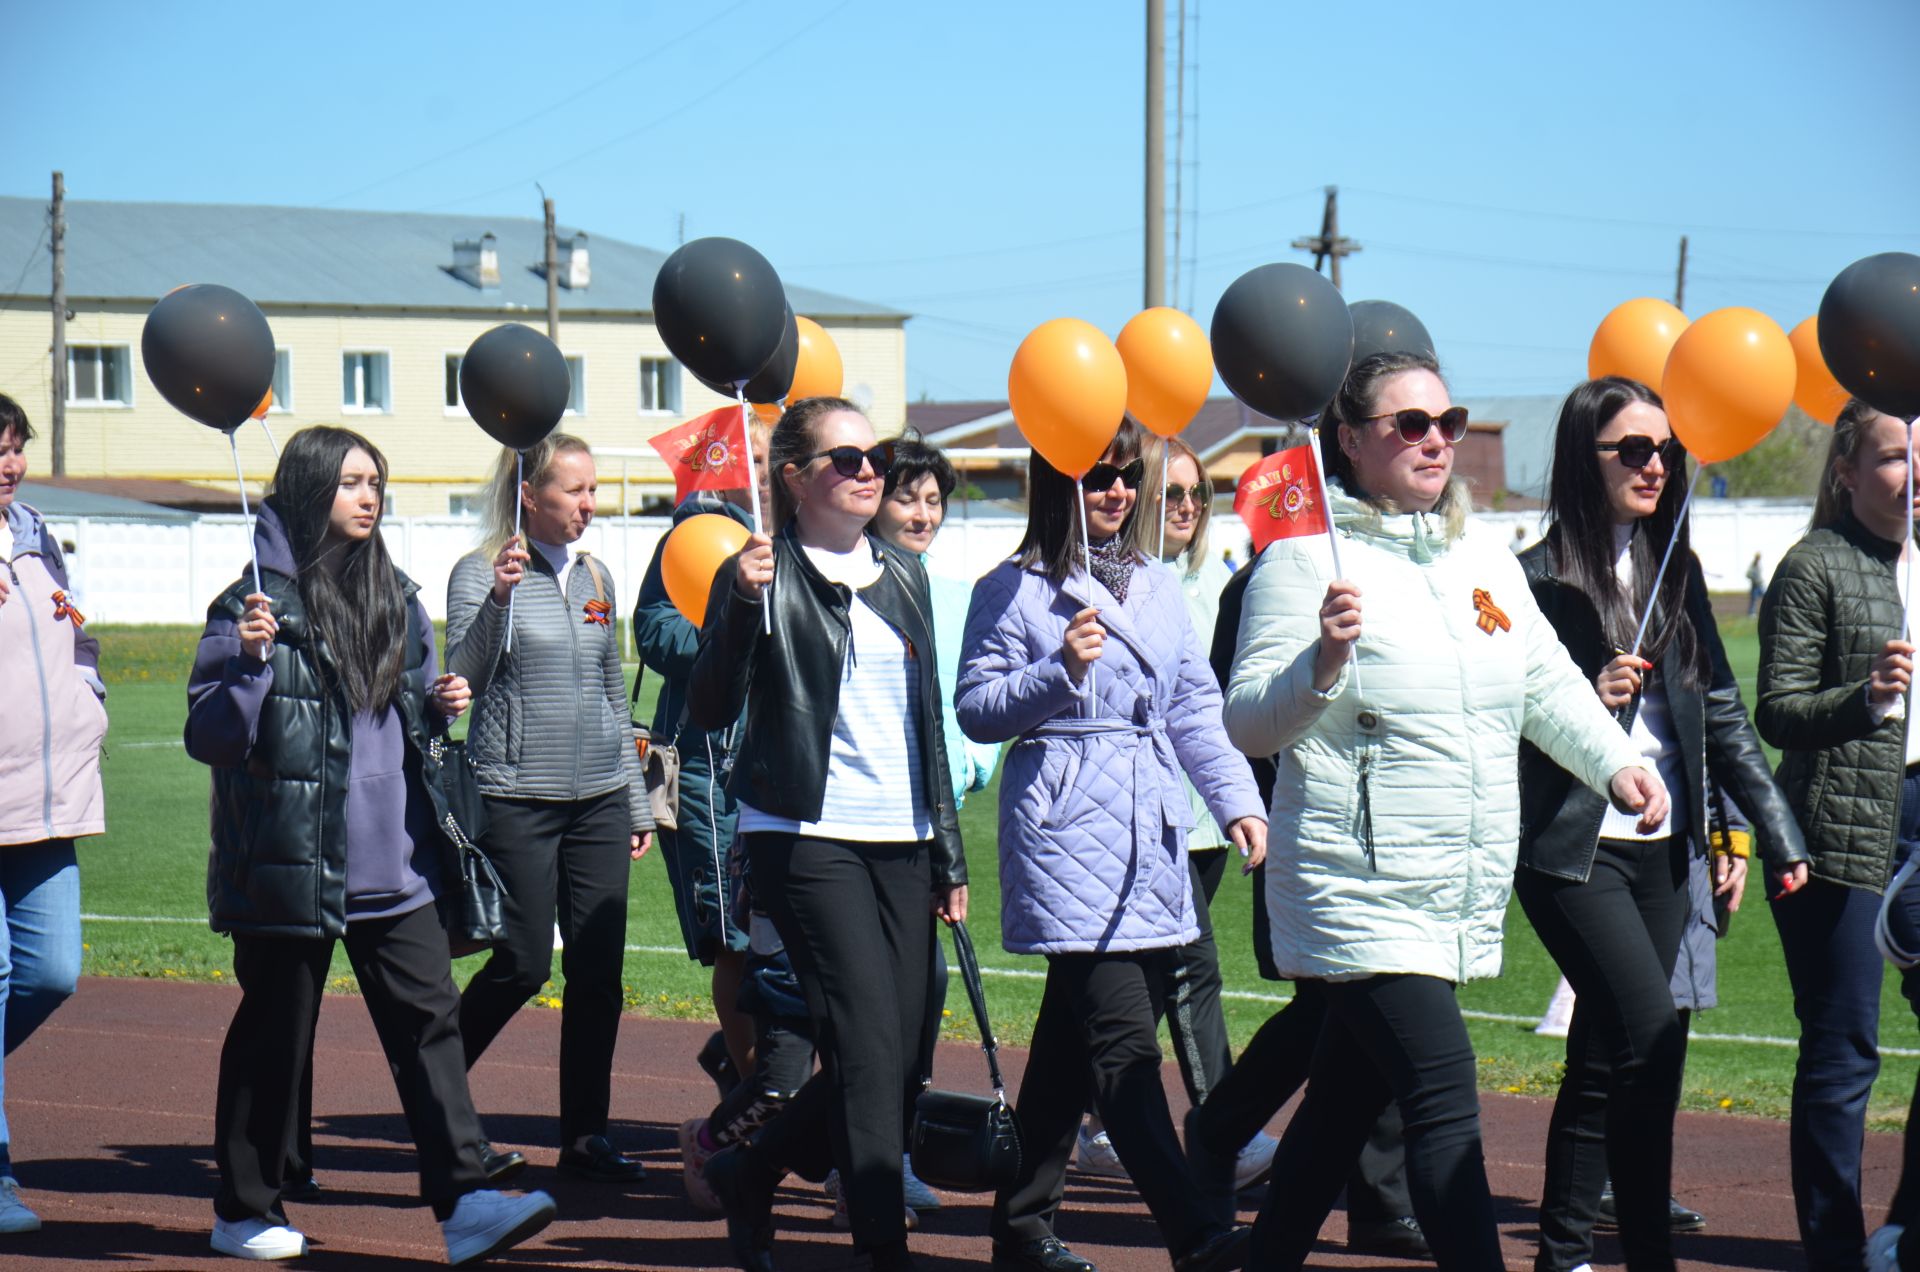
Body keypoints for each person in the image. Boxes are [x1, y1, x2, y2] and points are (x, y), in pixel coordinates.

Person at [1223, 351, 1667, 1270]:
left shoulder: (1480, 559)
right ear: (1348, 439)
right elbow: (1249, 725)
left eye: (1448, 422)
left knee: (1339, 1109)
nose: (1437, 441)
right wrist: (1320, 665)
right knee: (1442, 1093)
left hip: (1450, 882)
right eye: (1409, 425)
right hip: (1355, 887)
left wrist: (1617, 762)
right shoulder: (1301, 563)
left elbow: (1545, 683)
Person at [185, 425, 555, 1264]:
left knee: (431, 1031)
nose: (368, 495)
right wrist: (247, 665)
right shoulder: (249, 605)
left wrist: (441, 701)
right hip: (288, 866)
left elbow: (409, 713)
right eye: (351, 481)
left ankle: (465, 1205)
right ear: (311, 491)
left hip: (397, 865)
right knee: (275, 1038)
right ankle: (243, 1210)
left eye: (375, 481)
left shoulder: (397, 595)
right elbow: (210, 737)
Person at [958, 417, 1267, 1272]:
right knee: (1126, 1047)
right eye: (1098, 476)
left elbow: (1194, 708)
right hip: (1065, 828)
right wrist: (1059, 668)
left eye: (1127, 475)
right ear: (1055, 482)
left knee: (1069, 1047)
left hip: (1149, 829)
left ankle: (1021, 1228)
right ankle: (1200, 1236)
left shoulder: (1160, 586)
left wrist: (1238, 801)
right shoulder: (1012, 587)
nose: (1118, 493)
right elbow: (977, 710)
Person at [1515, 376, 1807, 1272]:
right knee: (1649, 1032)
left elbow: (1718, 714)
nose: (1654, 464)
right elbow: (1496, 718)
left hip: (1665, 854)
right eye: (1632, 449)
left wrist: (1760, 831)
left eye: (1665, 449)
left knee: (1610, 1056)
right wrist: (1577, 703)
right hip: (1573, 848)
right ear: (1584, 457)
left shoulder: (1675, 568)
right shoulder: (1535, 578)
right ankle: (1643, 1253)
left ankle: (1566, 1254)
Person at [691, 397, 965, 1272]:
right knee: (866, 1044)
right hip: (805, 834)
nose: (869, 470)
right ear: (794, 477)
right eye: (845, 459)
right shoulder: (762, 571)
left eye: (873, 453)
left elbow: (927, 725)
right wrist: (739, 600)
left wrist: (947, 853)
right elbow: (708, 705)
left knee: (901, 1057)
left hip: (905, 838)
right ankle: (884, 1249)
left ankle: (752, 1166)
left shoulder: (904, 573)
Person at [446, 434, 654, 1184]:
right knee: (524, 963)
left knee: (598, 974)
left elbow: (610, 695)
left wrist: (635, 802)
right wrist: (500, 596)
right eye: (574, 491)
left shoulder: (597, 575)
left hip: (599, 797)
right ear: (531, 495)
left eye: (594, 490)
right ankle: (433, 1091)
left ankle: (586, 1137)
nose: (589, 505)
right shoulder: (479, 572)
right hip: (513, 795)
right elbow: (462, 675)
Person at [1080, 434, 1275, 1192]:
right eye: (1172, 495)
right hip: (1145, 814)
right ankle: (1226, 1128)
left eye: (1198, 495)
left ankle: (1088, 1124)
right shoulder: (1130, 586)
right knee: (1194, 974)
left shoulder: (1214, 585)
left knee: (1151, 985)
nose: (1188, 507)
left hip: (1206, 817)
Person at [1754, 399, 1916, 1272]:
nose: (1911, 473)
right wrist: (1866, 699)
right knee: (1846, 1047)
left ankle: (1905, 1230)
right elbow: (1775, 711)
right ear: (1847, 471)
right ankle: (1833, 1245)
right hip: (1841, 833)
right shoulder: (1815, 564)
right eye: (1892, 457)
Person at [633, 420, 771, 1104]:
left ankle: (740, 1059)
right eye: (755, 458)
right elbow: (654, 634)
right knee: (735, 940)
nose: (766, 470)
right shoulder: (686, 540)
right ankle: (755, 1101)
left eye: (776, 458)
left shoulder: (799, 536)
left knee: (793, 944)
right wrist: (732, 632)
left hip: (785, 766)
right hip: (709, 767)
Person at [0, 394, 101, 1236]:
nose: (8, 463)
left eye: (15, 447)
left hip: (46, 802)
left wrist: (88, 701)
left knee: (51, 973)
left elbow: (80, 638)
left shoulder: (37, 537)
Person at [1747, 552, 1766, 617]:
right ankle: (1751, 613)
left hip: (1760, 585)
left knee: (1765, 597)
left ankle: (1766, 611)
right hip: (1755, 586)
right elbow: (1748, 574)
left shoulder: (1759, 564)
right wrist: (1754, 579)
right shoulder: (1753, 565)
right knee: (1754, 599)